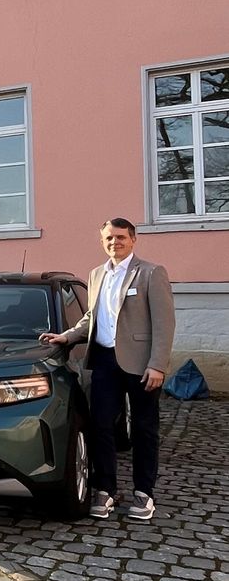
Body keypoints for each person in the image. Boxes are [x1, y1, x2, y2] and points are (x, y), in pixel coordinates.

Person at [39, 217, 175, 520]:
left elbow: (164, 325)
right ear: (103, 241)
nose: (115, 243)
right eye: (109, 238)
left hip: (140, 364)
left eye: (121, 237)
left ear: (133, 239)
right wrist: (67, 336)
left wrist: (158, 365)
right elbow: (91, 315)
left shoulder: (151, 273)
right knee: (101, 427)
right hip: (104, 362)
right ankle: (105, 490)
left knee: (143, 429)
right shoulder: (97, 273)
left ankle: (144, 494)